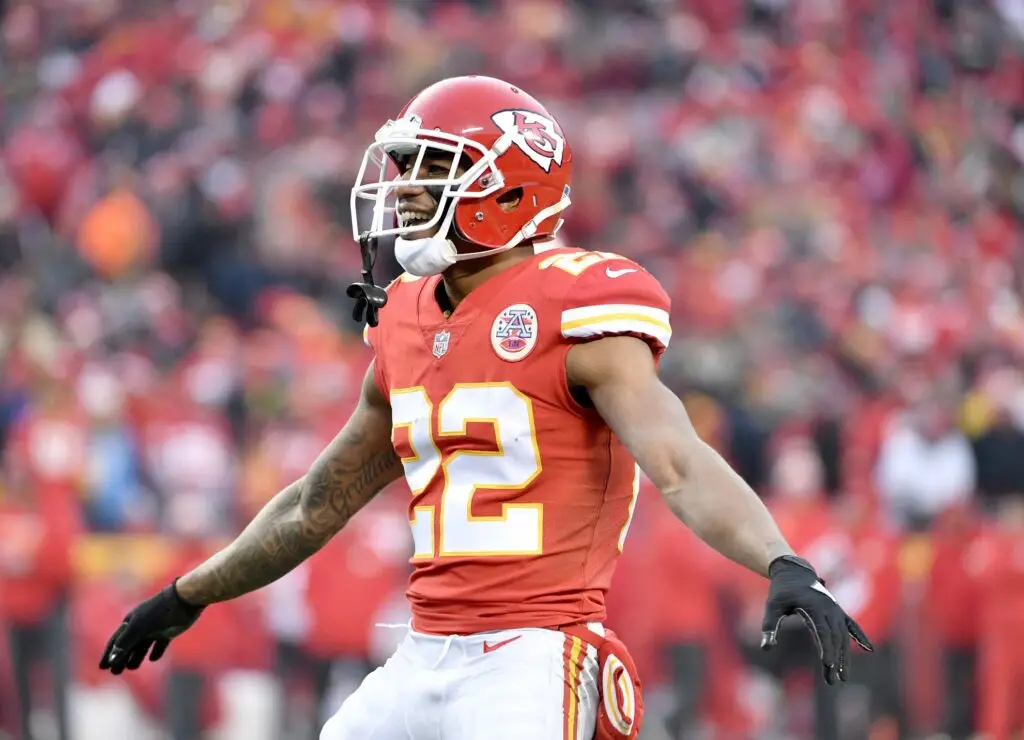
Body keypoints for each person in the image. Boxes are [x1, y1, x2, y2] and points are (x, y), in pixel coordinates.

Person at [98, 76, 872, 740]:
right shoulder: (404, 317)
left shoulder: (577, 304)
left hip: (535, 655)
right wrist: (187, 594)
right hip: (423, 650)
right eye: (403, 167)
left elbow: (676, 460)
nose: (403, 187)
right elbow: (313, 503)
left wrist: (780, 558)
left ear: (508, 186)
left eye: (432, 167)